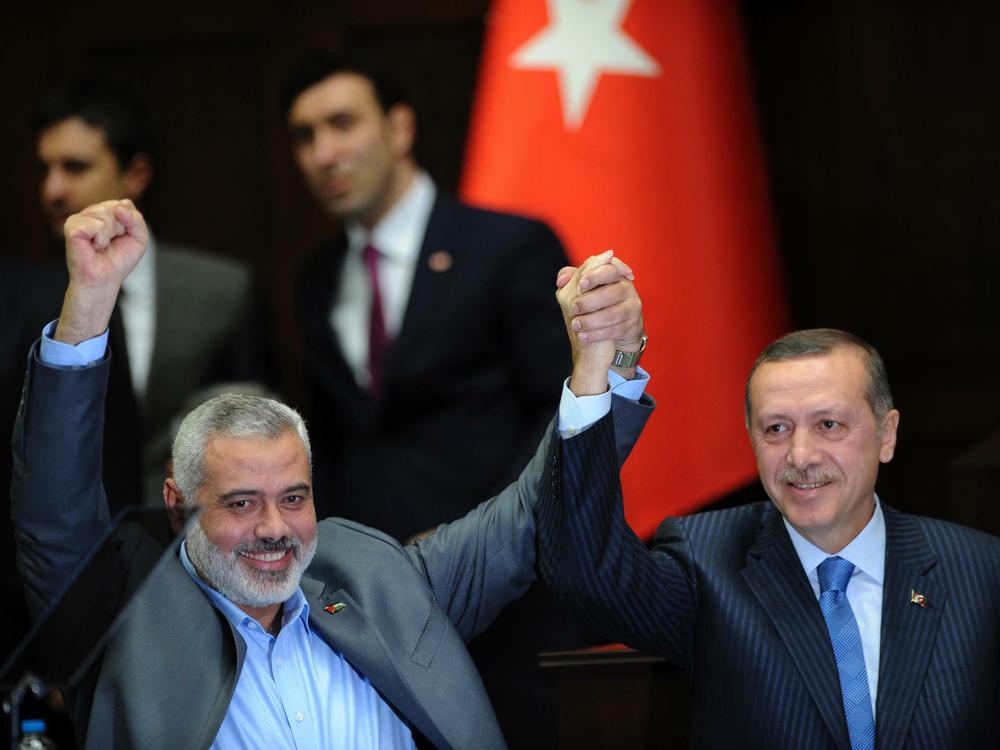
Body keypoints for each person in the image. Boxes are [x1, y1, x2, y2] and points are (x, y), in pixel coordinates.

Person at [11, 200, 647, 749]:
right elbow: (53, 509)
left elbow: (534, 516)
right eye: (240, 503)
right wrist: (89, 306)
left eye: (294, 496)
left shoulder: (377, 578)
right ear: (178, 507)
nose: (274, 528)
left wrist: (603, 366)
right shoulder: (124, 616)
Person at [283, 51, 577, 745]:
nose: (324, 152)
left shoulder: (508, 245)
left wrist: (478, 541)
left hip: (505, 592)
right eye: (304, 135)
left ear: (400, 127)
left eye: (342, 123)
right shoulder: (317, 276)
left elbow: (561, 418)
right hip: (372, 607)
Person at [538, 317, 1000, 748]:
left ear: (886, 434)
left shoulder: (980, 571)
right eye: (776, 428)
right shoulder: (705, 560)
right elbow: (586, 571)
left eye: (828, 425)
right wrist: (599, 366)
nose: (801, 455)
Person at [31, 76, 267, 507]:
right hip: (75, 536)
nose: (53, 190)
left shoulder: (221, 289)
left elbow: (255, 427)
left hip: (194, 536)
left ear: (135, 173)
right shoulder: (24, 296)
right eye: (44, 169)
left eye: (75, 167)